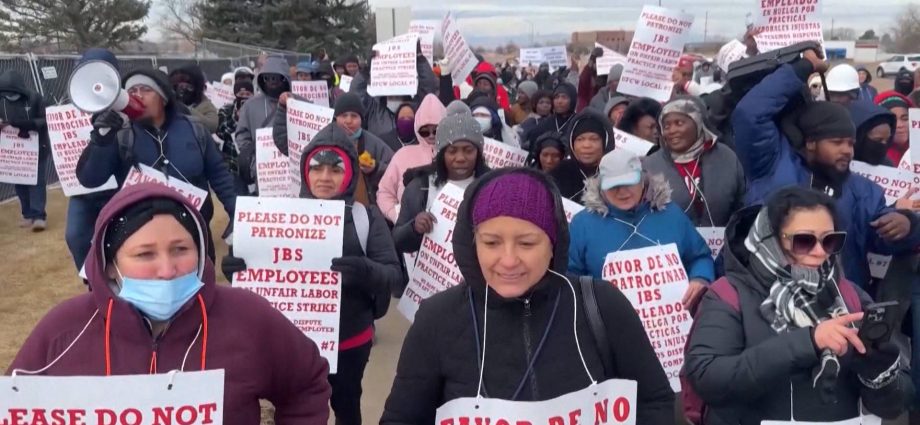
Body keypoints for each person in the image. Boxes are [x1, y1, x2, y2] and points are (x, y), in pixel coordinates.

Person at [7, 183, 331, 423]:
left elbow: (305, 384)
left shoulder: (248, 317)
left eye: (180, 249)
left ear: (202, 250)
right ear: (109, 264)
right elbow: (14, 405)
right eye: (145, 254)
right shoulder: (65, 330)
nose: (166, 270)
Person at [381, 168, 676, 425]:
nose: (508, 260)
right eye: (492, 242)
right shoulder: (438, 318)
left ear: (553, 245)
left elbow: (654, 401)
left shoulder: (600, 305)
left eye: (526, 242)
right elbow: (402, 418)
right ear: (472, 244)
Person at [685, 187, 914, 424]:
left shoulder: (850, 295)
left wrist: (879, 373)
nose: (819, 252)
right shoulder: (728, 294)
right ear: (770, 238)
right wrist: (809, 342)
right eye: (804, 241)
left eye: (830, 240)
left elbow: (898, 403)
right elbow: (707, 379)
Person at [224, 126, 400, 425]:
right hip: (295, 341)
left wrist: (363, 270)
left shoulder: (365, 217)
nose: (325, 177)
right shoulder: (278, 217)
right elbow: (264, 282)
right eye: (317, 168)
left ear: (350, 173)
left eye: (335, 169)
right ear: (305, 171)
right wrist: (240, 271)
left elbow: (393, 276)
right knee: (296, 409)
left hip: (350, 340)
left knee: (346, 404)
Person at [731, 49, 920, 288]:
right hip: (769, 295)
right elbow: (750, 114)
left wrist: (907, 224)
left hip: (836, 304)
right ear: (811, 142)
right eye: (837, 142)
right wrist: (801, 69)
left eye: (851, 144)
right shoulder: (772, 166)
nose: (847, 151)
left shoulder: (863, 190)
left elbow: (880, 237)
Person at [76, 68, 237, 260]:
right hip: (140, 233)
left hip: (194, 230)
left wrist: (237, 214)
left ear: (163, 97)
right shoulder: (120, 135)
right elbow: (90, 179)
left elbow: (220, 176)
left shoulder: (194, 130)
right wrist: (102, 139)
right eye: (132, 91)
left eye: (145, 89)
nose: (137, 96)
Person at [568, 148, 714, 310]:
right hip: (610, 325)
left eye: (629, 183)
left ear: (643, 180)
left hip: (670, 324)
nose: (622, 192)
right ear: (601, 186)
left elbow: (700, 256)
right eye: (613, 186)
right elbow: (570, 278)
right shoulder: (582, 224)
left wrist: (700, 278)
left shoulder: (671, 214)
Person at [392, 102, 489, 255]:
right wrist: (414, 228)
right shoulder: (420, 186)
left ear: (479, 153)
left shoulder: (492, 186)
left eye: (468, 150)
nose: (460, 158)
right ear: (441, 153)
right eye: (452, 151)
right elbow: (397, 240)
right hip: (430, 275)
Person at [274, 92, 393, 205]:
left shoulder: (373, 143)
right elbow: (287, 144)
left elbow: (394, 171)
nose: (349, 120)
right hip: (324, 208)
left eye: (354, 116)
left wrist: (375, 168)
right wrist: (284, 109)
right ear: (336, 117)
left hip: (362, 208)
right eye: (344, 115)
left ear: (362, 119)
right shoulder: (323, 139)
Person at [642, 96, 746, 227]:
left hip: (723, 244)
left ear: (698, 122)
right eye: (666, 126)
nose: (672, 131)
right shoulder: (650, 166)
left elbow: (741, 205)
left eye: (679, 123)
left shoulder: (727, 157)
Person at [65, 48, 121, 270]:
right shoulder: (70, 103)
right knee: (76, 236)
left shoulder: (127, 106)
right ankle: (91, 281)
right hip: (83, 191)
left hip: (118, 187)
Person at [377, 94, 446, 224]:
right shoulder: (402, 155)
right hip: (409, 233)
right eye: (425, 131)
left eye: (436, 130)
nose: (431, 135)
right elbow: (384, 192)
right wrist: (397, 216)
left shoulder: (452, 156)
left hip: (443, 235)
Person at [352, 47, 438, 138]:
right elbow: (356, 97)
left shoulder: (416, 107)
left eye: (397, 95)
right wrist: (365, 70)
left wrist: (420, 59)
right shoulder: (374, 109)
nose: (394, 94)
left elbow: (428, 89)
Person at [0, 69, 48, 231]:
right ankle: (28, 215)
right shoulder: (1, 100)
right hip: (13, 151)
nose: (9, 95)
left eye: (12, 92)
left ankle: (39, 216)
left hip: (35, 147)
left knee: (36, 182)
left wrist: (29, 125)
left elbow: (46, 119)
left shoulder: (35, 98)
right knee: (19, 182)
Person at [235, 56, 290, 190]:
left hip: (291, 173)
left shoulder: (298, 102)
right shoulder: (250, 105)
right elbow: (242, 135)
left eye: (277, 78)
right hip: (264, 173)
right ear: (261, 79)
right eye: (267, 78)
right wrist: (254, 160)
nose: (272, 82)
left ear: (285, 79)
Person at [549, 109, 614, 204]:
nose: (586, 145)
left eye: (594, 139)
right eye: (580, 139)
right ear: (572, 143)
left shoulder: (614, 173)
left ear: (605, 143)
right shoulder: (558, 173)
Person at [216, 79, 255, 194]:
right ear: (235, 95)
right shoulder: (225, 110)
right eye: (241, 94)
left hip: (252, 164)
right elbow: (222, 132)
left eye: (248, 94)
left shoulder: (257, 110)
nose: (244, 97)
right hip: (233, 164)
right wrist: (237, 118)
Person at [525, 82, 578, 149]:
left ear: (572, 100)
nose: (559, 101)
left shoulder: (578, 123)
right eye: (556, 97)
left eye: (564, 97)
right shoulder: (544, 124)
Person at [168, 64, 219, 132]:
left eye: (187, 85)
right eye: (178, 84)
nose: (182, 88)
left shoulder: (206, 106)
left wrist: (186, 110)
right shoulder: (168, 103)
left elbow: (212, 126)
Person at [849, 100, 896, 166]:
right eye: (878, 140)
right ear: (859, 136)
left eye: (888, 140)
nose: (884, 144)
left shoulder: (888, 167)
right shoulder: (840, 165)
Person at [874, 91, 913, 165]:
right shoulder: (875, 157)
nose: (899, 125)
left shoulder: (916, 150)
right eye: (893, 120)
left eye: (905, 119)